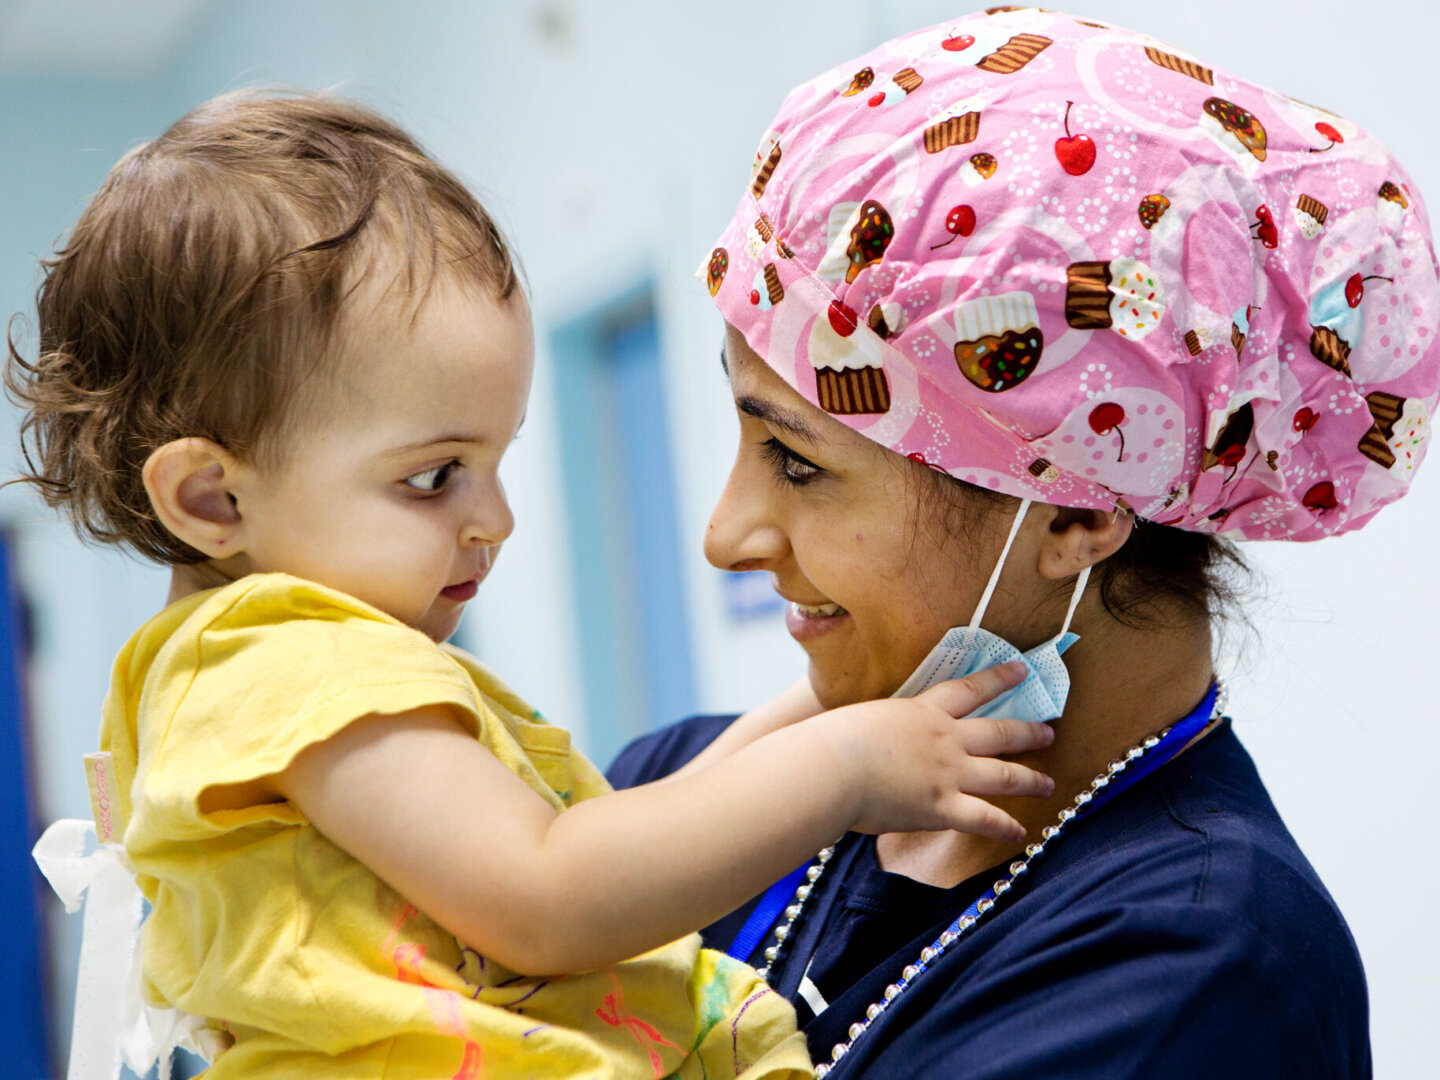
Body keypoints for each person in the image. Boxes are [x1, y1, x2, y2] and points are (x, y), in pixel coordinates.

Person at [10, 92, 1064, 1080]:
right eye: (432, 477)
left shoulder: (241, 667)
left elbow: (640, 827)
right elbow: (559, 889)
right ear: (211, 498)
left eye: (495, 462)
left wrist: (847, 707)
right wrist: (845, 765)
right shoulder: (290, 663)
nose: (495, 521)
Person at [609, 9, 1438, 1077]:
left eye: (797, 460)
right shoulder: (683, 793)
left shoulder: (1197, 968)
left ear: (1076, 513)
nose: (725, 537)